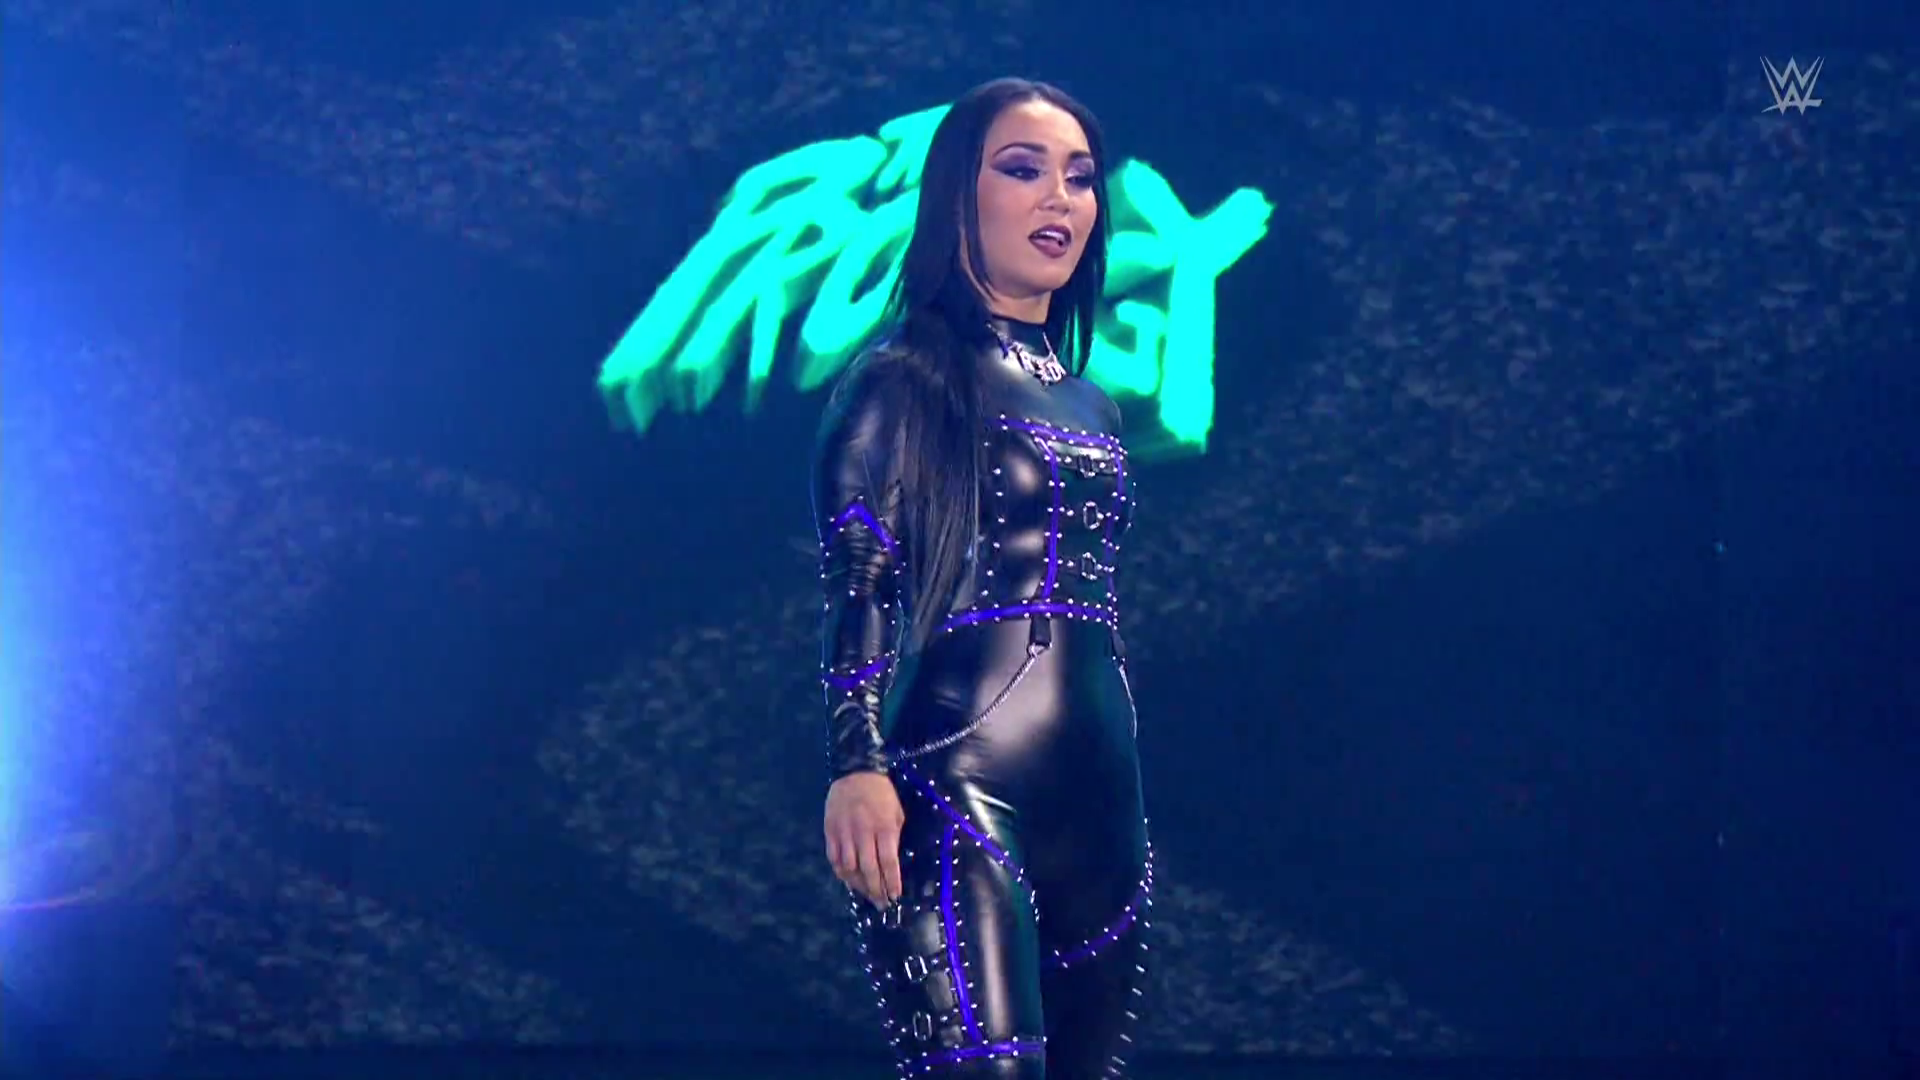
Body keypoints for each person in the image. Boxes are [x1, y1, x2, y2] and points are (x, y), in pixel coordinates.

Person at [811, 77, 1152, 1078]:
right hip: (956, 785)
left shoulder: (1092, 404)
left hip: (1103, 801)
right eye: (1023, 169)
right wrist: (856, 763)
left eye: (1080, 178)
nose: (1060, 199)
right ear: (959, 192)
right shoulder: (904, 378)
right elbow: (862, 577)